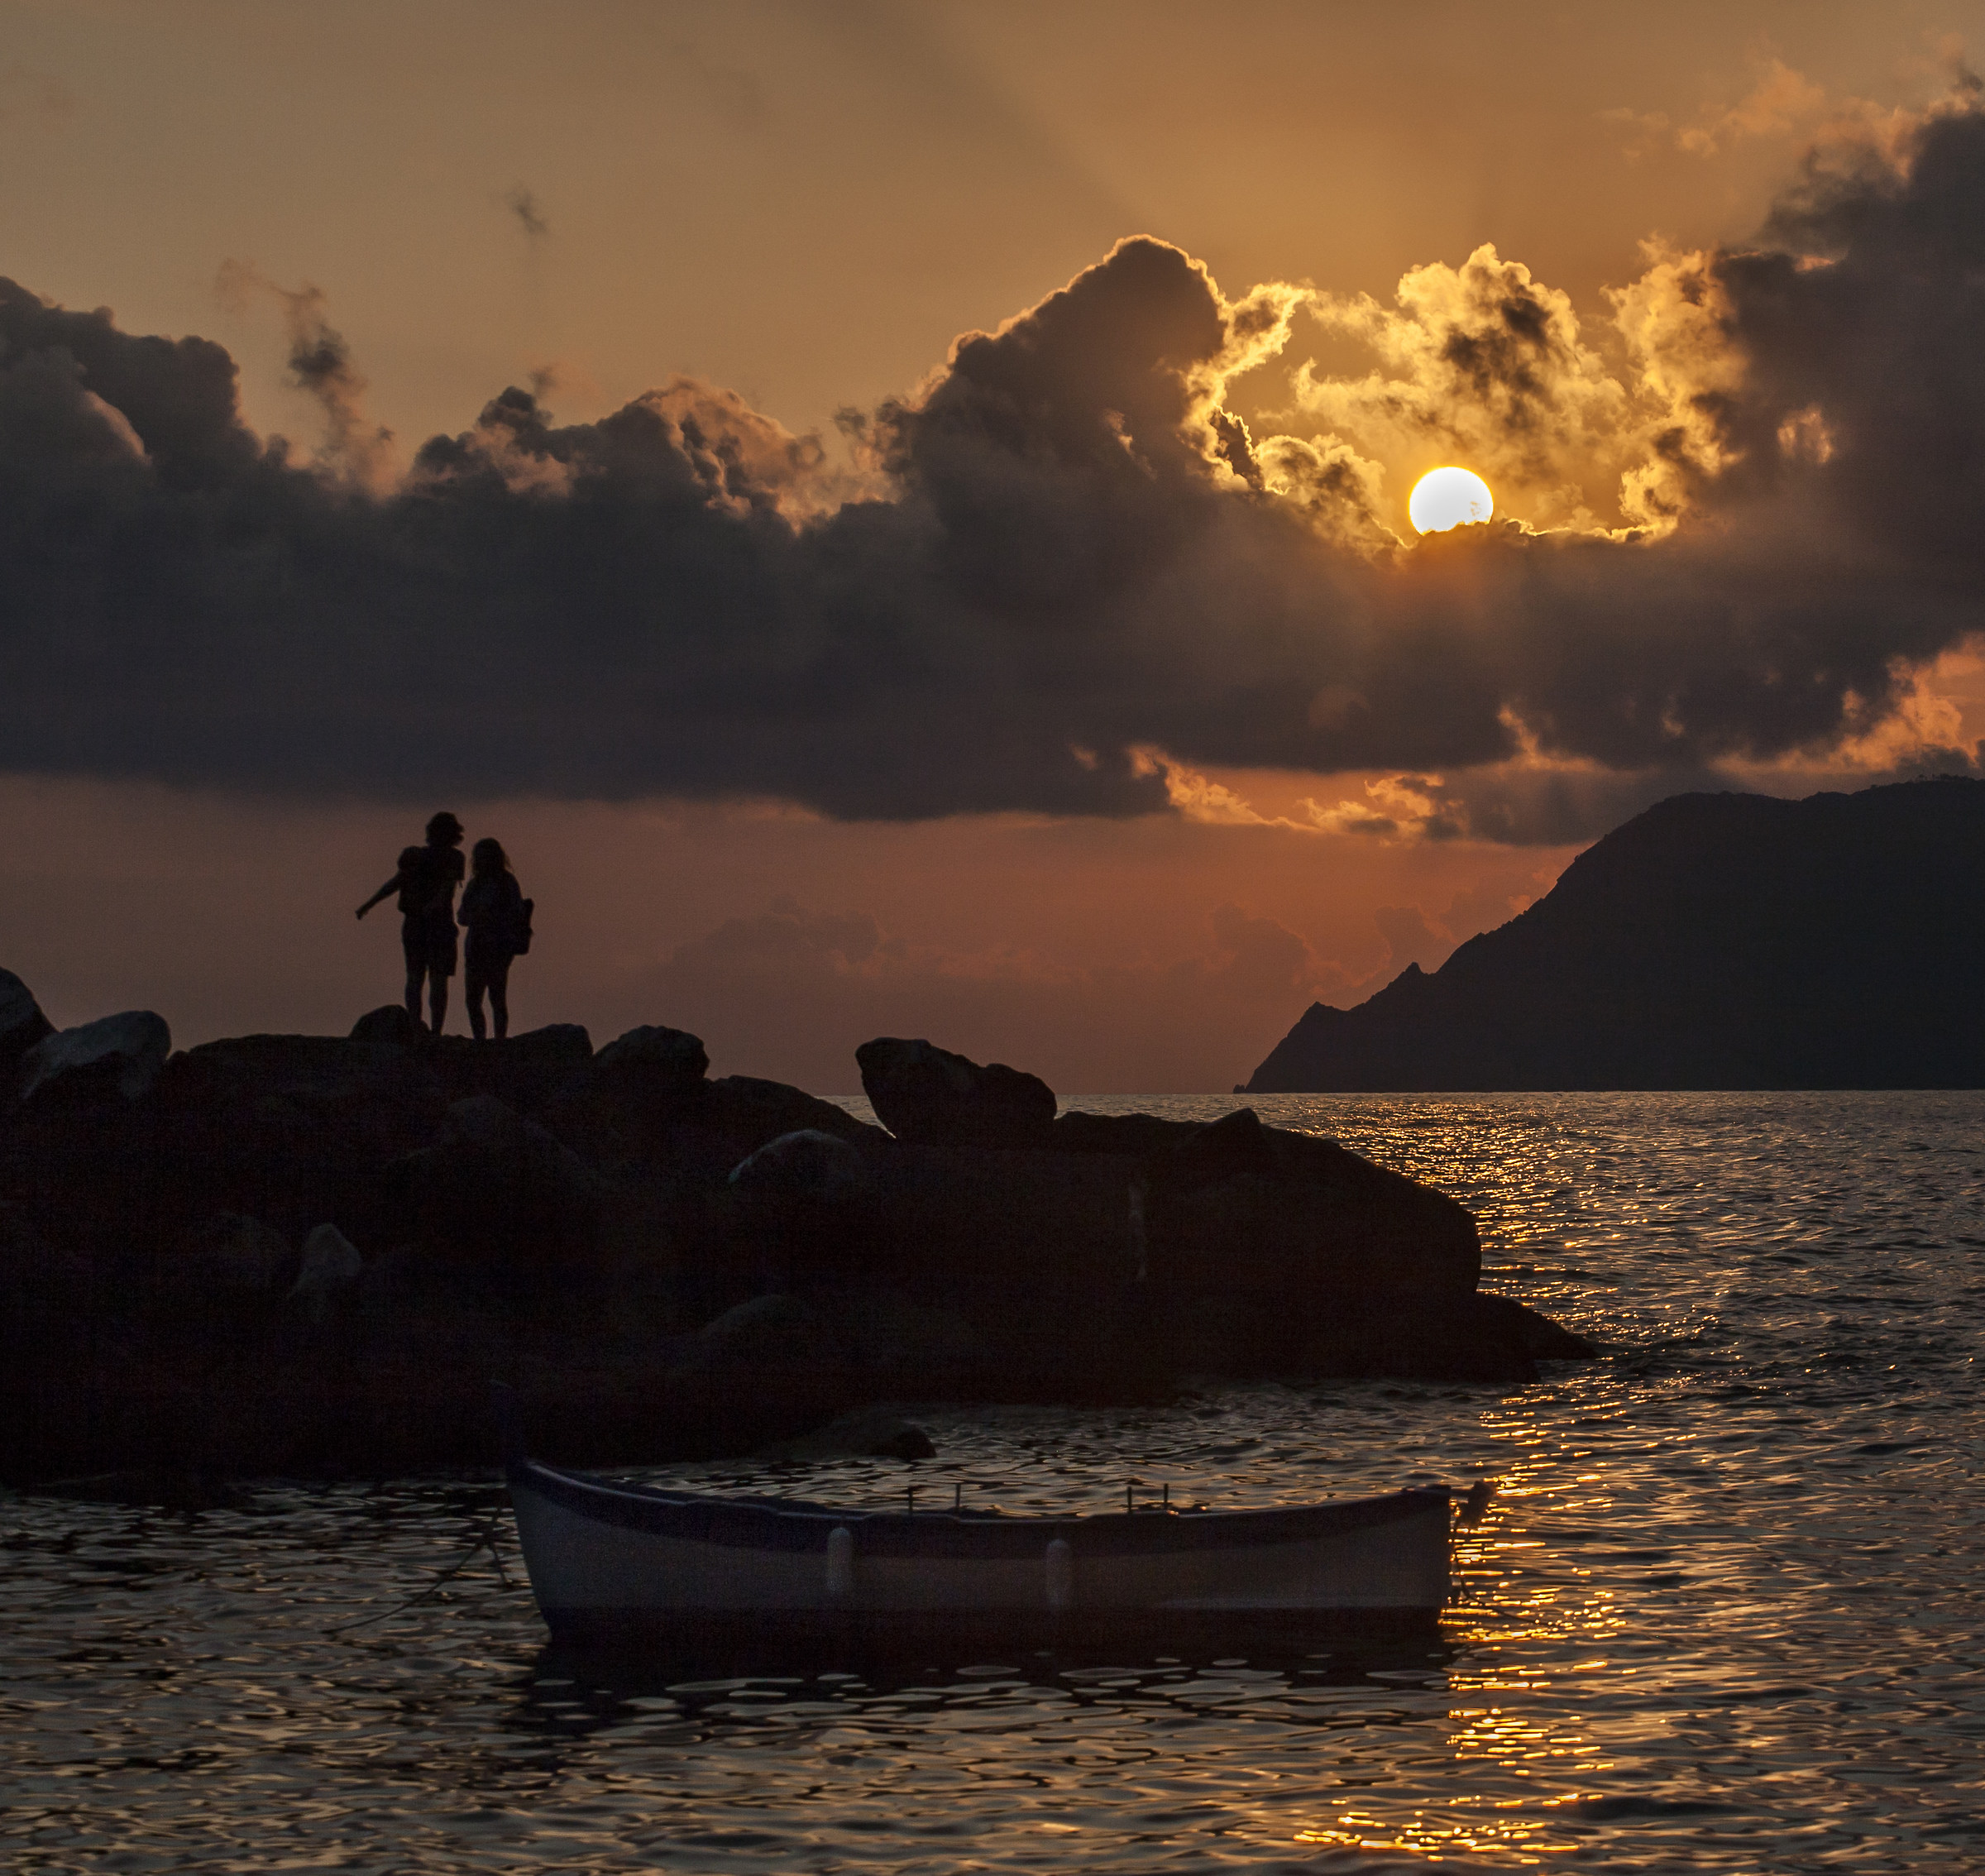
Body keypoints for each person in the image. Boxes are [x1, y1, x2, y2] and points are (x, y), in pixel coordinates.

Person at [356, 811, 466, 1033]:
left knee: (426, 979)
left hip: (430, 924)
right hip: (431, 925)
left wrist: (369, 904)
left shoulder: (433, 857)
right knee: (428, 979)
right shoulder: (443, 858)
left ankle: (425, 1029)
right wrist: (369, 904)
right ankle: (425, 1029)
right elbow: (401, 882)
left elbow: (442, 888)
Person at [457, 837, 528, 1041]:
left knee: (496, 998)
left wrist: (494, 916)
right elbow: (462, 916)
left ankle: (499, 1041)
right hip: (476, 947)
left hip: (498, 947)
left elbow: (517, 911)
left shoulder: (507, 883)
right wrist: (475, 916)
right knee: (473, 1000)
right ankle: (480, 1040)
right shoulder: (475, 885)